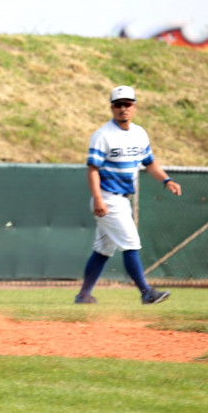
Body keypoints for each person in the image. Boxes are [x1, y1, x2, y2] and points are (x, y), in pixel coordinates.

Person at [74, 85, 178, 305]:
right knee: (131, 243)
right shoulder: (103, 135)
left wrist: (167, 180)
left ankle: (84, 295)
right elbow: (93, 169)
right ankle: (146, 292)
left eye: (127, 104)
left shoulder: (139, 133)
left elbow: (149, 163)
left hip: (123, 200)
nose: (123, 108)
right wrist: (99, 199)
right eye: (118, 105)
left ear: (134, 107)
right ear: (112, 108)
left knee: (103, 250)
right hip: (108, 198)